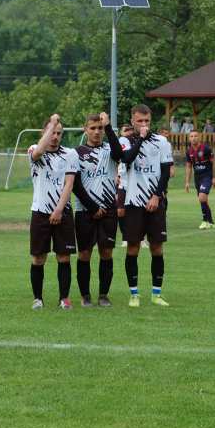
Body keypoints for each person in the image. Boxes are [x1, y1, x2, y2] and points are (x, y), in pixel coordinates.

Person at [106, 104, 171, 307]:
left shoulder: (161, 142)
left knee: (157, 248)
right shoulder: (125, 141)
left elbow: (165, 172)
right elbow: (125, 159)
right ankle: (134, 294)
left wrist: (156, 195)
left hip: (155, 202)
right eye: (140, 121)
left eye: (147, 122)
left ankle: (156, 293)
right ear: (132, 121)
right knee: (133, 248)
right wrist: (141, 139)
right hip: (133, 203)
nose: (144, 125)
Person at [28, 114, 79, 309]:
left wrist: (58, 210)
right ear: (44, 132)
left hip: (62, 212)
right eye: (52, 132)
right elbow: (39, 150)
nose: (55, 136)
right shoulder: (34, 150)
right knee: (38, 258)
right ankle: (38, 299)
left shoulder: (70, 154)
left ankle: (63, 299)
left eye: (59, 133)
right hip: (40, 212)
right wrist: (51, 123)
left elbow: (69, 183)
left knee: (63, 257)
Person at [73, 113, 118, 307]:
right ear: (85, 130)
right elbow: (75, 185)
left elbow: (121, 155)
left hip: (109, 210)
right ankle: (85, 296)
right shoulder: (76, 153)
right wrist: (93, 207)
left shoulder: (111, 149)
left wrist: (109, 126)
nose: (97, 132)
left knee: (106, 252)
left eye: (100, 128)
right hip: (85, 211)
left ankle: (103, 295)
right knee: (84, 254)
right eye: (93, 128)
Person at [184, 130, 215, 229]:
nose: (193, 138)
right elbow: (189, 167)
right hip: (197, 178)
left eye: (195, 136)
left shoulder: (206, 149)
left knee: (202, 197)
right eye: (191, 136)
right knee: (204, 200)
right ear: (189, 138)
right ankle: (211, 221)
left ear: (199, 137)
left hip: (207, 176)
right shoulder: (188, 151)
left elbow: (214, 163)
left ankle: (205, 221)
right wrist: (187, 182)